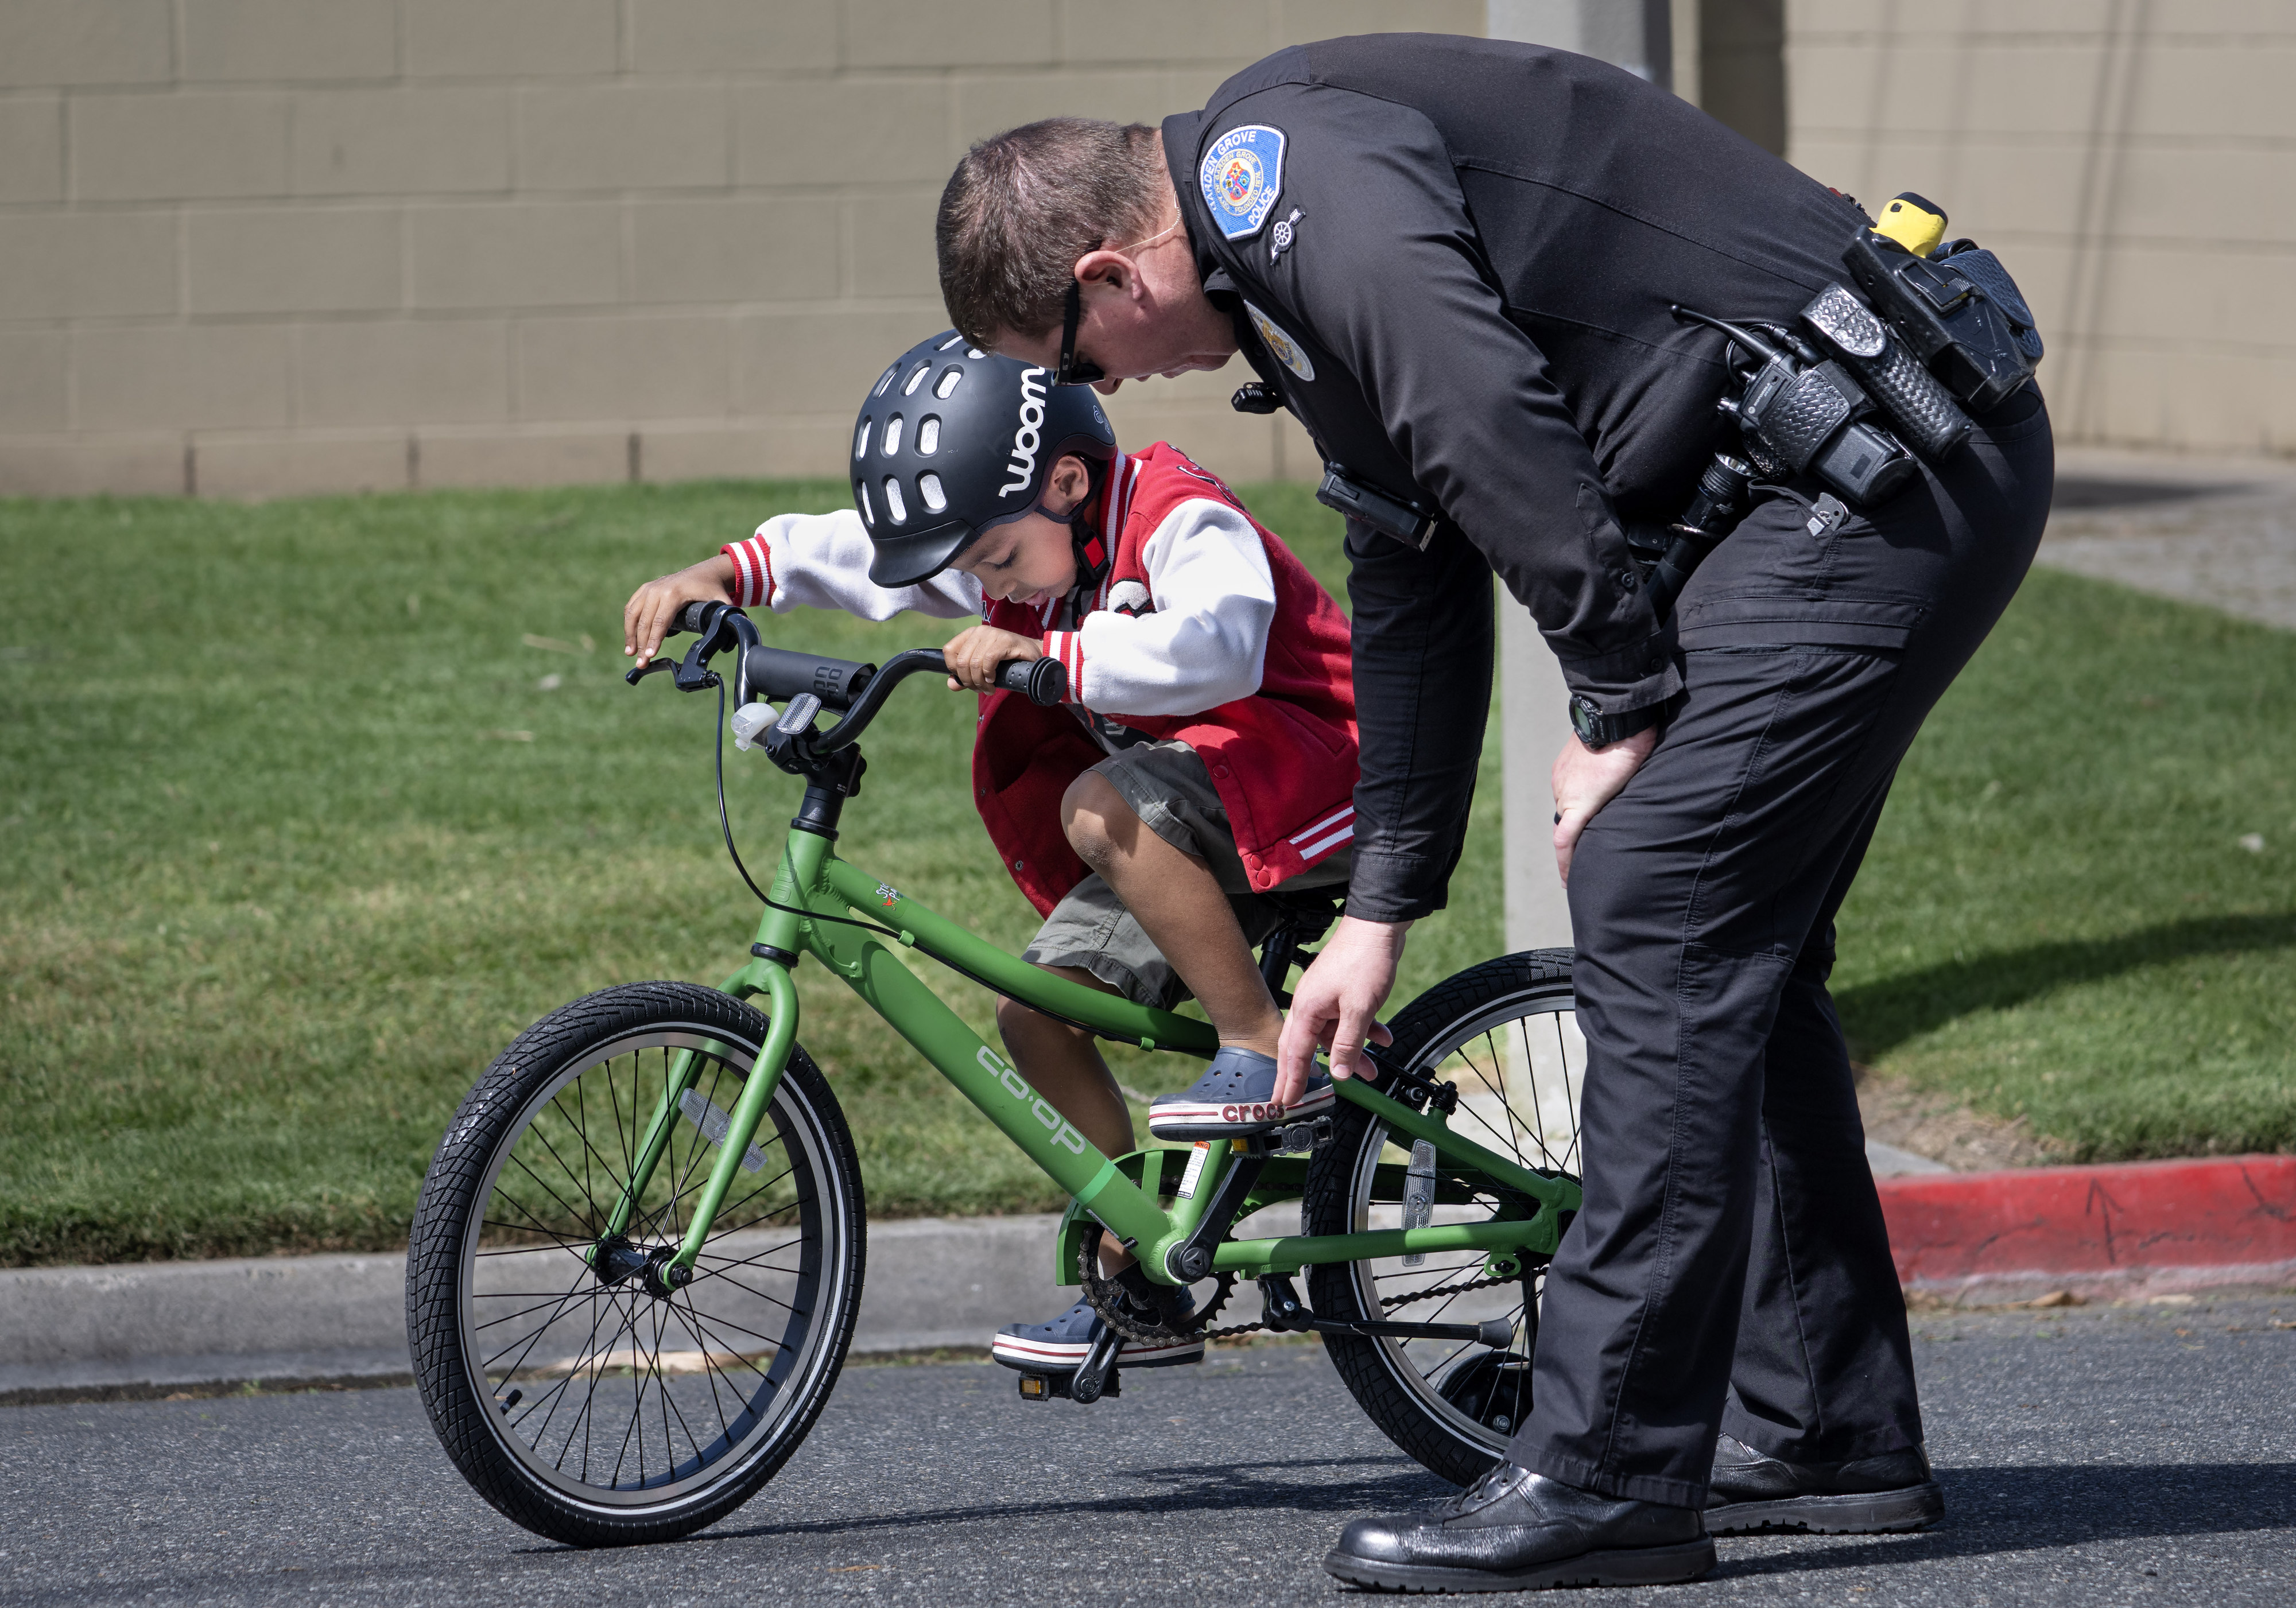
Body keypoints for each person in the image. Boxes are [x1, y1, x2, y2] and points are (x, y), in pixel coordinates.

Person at [934, 32, 2053, 1593]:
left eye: (1077, 362)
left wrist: (1619, 695)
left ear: (1113, 271)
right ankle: (1827, 1432)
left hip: (1877, 469)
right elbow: (1408, 563)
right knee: (1736, 941)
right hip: (1831, 485)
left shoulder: (1285, 173)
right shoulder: (1283, 260)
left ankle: (1608, 1474)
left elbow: (1479, 411)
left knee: (1660, 899)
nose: (1103, 393)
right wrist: (1380, 909)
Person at [622, 332, 1361, 1379]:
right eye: (972, 569)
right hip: (1198, 813)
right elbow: (852, 556)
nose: (981, 585)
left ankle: (1260, 1045)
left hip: (1317, 778)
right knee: (1036, 1011)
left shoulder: (1175, 514)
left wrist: (1048, 654)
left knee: (1096, 803)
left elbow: (1224, 640)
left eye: (994, 561)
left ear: (1067, 481)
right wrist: (721, 574)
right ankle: (1140, 1268)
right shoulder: (1027, 546)